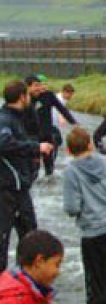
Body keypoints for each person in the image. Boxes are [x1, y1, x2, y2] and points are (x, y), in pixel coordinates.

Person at [63, 126, 106, 304]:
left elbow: (72, 207)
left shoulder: (71, 171)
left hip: (92, 231)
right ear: (90, 144)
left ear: (68, 150)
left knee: (95, 279)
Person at [0, 81, 53, 272]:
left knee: (30, 236)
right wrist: (35, 148)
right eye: (28, 96)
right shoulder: (5, 119)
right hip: (7, 190)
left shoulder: (17, 116)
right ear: (22, 96)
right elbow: (3, 143)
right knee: (3, 239)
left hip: (19, 187)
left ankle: (27, 280)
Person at [26, 75, 77, 177]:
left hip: (47, 135)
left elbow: (62, 109)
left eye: (40, 85)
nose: (39, 88)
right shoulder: (24, 99)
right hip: (32, 138)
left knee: (49, 168)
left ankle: (49, 184)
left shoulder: (48, 95)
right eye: (36, 86)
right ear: (28, 87)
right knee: (33, 169)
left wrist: (73, 122)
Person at [51, 83, 76, 169]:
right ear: (65, 92)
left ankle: (51, 163)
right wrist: (61, 118)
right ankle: (51, 164)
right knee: (56, 142)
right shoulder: (59, 99)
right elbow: (59, 109)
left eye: (72, 95)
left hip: (53, 126)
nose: (70, 97)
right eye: (70, 94)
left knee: (57, 142)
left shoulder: (59, 98)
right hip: (52, 126)